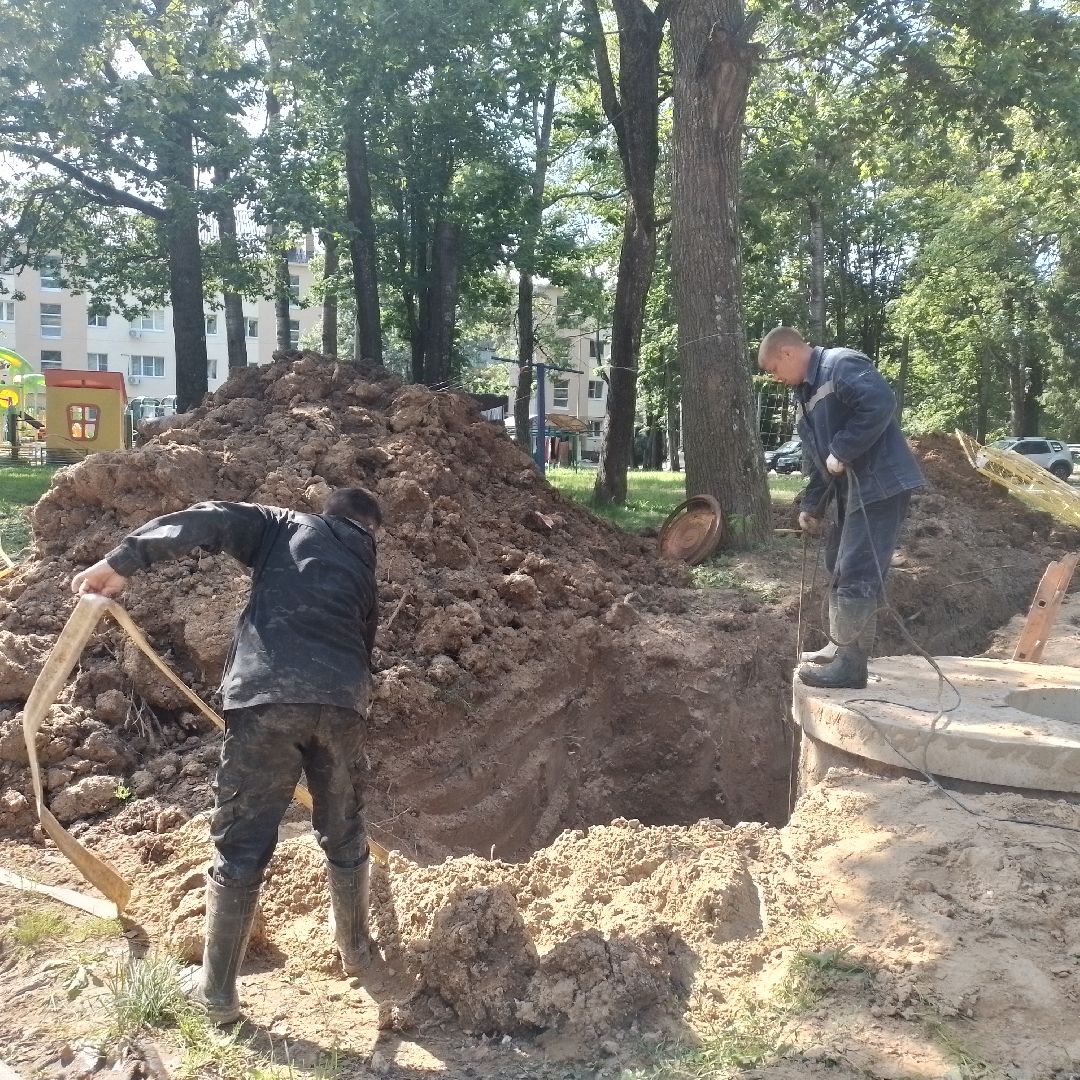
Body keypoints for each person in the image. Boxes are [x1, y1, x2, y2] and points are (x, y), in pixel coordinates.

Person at [71, 488, 382, 1024]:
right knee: (344, 826)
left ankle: (217, 996)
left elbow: (209, 519)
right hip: (343, 703)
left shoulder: (283, 525)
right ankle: (356, 951)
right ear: (371, 530)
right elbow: (364, 647)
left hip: (266, 697)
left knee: (242, 840)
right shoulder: (362, 565)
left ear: (327, 513)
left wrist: (119, 563)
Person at [757, 328, 924, 689]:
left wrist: (845, 448)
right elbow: (825, 461)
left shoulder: (839, 365)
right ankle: (839, 647)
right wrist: (813, 505)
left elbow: (880, 403)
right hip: (853, 490)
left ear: (787, 353)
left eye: (774, 369)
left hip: (880, 484)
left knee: (856, 570)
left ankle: (851, 666)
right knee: (837, 565)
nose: (775, 378)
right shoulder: (805, 396)